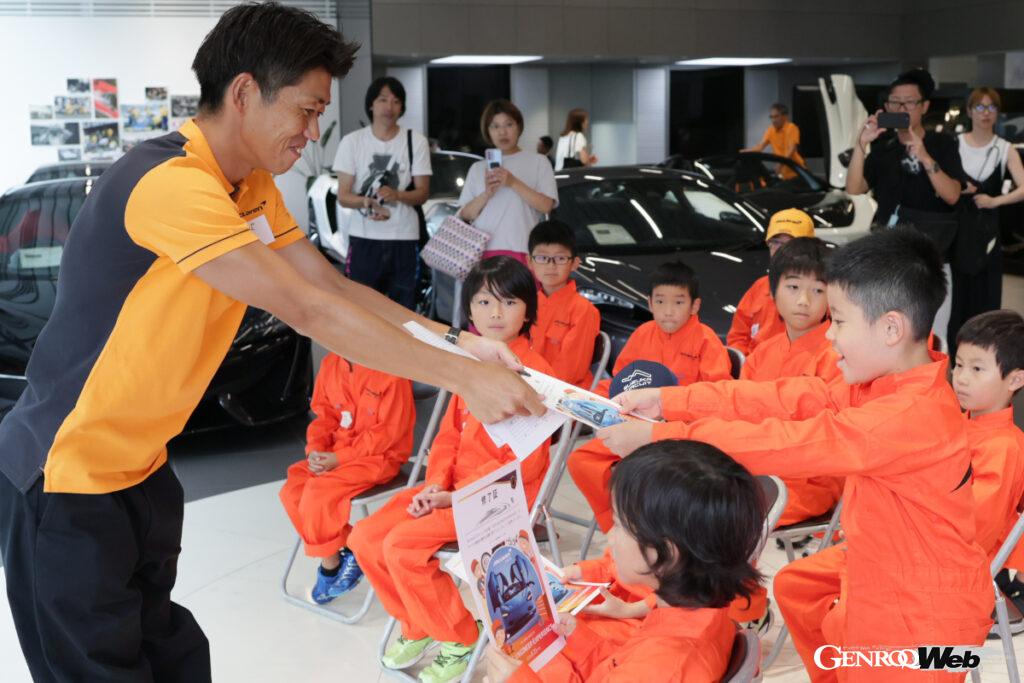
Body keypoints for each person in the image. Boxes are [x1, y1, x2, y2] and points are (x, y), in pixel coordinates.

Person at [0, 5, 545, 681]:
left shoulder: (249, 187)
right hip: (67, 478)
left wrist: (462, 345)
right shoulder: (169, 184)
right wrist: (465, 381)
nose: (314, 132)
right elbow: (305, 307)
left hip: (141, 468)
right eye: (307, 109)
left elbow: (331, 284)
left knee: (172, 655)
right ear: (244, 92)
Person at [601, 228, 994, 681]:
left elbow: (789, 442)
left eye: (840, 321)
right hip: (884, 578)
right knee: (798, 589)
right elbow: (790, 397)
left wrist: (664, 437)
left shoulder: (907, 413)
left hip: (923, 617)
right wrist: (672, 401)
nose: (830, 337)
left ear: (890, 328)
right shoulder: (884, 386)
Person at [348, 257, 554, 683]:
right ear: (469, 312)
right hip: (450, 490)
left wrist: (457, 497)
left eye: (508, 302)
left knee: (401, 546)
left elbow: (523, 468)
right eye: (483, 302)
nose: (495, 313)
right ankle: (419, 625)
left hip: (498, 502)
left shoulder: (538, 379)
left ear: (529, 311)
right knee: (364, 537)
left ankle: (460, 636)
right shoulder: (468, 366)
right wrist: (436, 485)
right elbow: (446, 438)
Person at [484, 439, 764, 683]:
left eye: (618, 525)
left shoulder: (663, 665)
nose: (610, 536)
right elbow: (619, 669)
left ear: (664, 552)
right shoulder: (699, 619)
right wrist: (582, 643)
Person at [729, 237, 842, 629]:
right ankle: (716, 601)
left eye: (818, 290)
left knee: (725, 514)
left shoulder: (837, 355)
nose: (804, 301)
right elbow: (738, 415)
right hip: (758, 469)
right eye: (793, 287)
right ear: (773, 291)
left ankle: (746, 607)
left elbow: (820, 438)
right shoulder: (763, 353)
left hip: (812, 479)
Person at [278, 355, 415, 604]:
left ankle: (331, 567)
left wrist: (340, 458)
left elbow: (388, 433)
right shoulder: (331, 364)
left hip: (379, 457)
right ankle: (347, 552)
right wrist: (316, 451)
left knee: (318, 492)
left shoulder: (390, 368)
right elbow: (324, 417)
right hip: (334, 454)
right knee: (292, 489)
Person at [846, 68, 965, 343]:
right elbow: (854, 188)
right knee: (891, 328)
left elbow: (953, 195)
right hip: (890, 254)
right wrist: (861, 143)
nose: (901, 107)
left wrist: (923, 155)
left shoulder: (942, 143)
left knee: (935, 332)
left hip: (932, 255)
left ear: (924, 107)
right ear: (886, 107)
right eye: (895, 102)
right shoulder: (884, 148)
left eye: (909, 102)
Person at [333, 76, 432, 309]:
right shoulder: (352, 142)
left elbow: (423, 193)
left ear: (402, 108)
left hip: (404, 238)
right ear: (371, 104)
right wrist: (367, 202)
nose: (389, 107)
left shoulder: (415, 141)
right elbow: (344, 196)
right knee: (361, 307)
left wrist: (397, 195)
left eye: (396, 101)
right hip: (364, 239)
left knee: (404, 309)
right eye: (383, 100)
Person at [950, 88, 1024, 353]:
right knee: (958, 299)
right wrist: (959, 187)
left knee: (987, 296)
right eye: (979, 107)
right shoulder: (954, 144)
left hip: (988, 233)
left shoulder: (1004, 149)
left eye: (991, 107)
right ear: (969, 111)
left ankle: (987, 356)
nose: (985, 113)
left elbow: (1023, 187)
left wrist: (995, 201)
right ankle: (955, 360)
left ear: (998, 113)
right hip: (958, 232)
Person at [567, 361, 678, 536]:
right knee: (581, 460)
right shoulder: (640, 337)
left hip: (674, 429)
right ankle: (616, 525)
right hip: (627, 428)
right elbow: (613, 379)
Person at [953, 311, 1024, 576]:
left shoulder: (1004, 449)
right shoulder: (955, 421)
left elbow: (975, 530)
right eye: (959, 365)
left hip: (962, 566)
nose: (961, 377)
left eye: (977, 369)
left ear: (1015, 380)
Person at [600, 261, 730, 393]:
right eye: (660, 301)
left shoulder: (707, 341)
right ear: (650, 304)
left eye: (678, 302)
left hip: (684, 412)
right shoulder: (643, 333)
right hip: (637, 409)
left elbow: (718, 395)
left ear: (694, 306)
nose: (668, 312)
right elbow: (621, 380)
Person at [458, 100, 558, 262]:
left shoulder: (539, 162)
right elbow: (465, 214)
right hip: (481, 253)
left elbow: (546, 205)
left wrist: (512, 182)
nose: (502, 132)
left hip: (523, 250)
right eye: (495, 126)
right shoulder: (477, 168)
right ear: (488, 131)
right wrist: (486, 194)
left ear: (519, 127)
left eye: (508, 125)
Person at [727, 208, 816, 355]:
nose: (781, 251)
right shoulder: (759, 287)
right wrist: (748, 366)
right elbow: (738, 337)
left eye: (790, 244)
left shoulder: (825, 292)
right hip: (756, 373)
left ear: (811, 248)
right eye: (775, 243)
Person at [527, 220, 601, 387]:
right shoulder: (526, 304)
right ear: (530, 262)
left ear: (574, 263)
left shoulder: (583, 310)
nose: (551, 265)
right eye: (542, 257)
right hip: (526, 386)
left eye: (560, 258)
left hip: (563, 394)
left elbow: (571, 371)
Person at [741, 102, 806, 179]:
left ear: (785, 116)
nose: (773, 120)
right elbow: (759, 148)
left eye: (776, 117)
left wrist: (781, 163)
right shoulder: (770, 130)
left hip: (797, 171)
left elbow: (791, 149)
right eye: (771, 117)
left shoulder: (791, 128)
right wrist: (744, 152)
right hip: (783, 173)